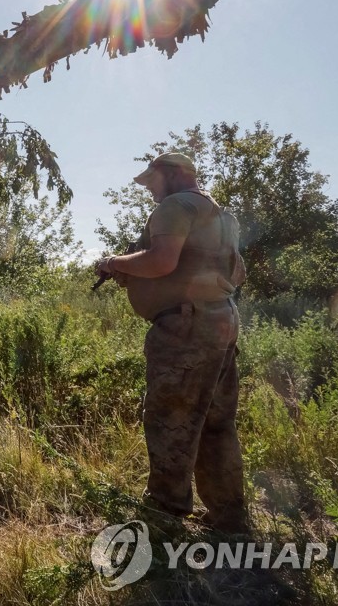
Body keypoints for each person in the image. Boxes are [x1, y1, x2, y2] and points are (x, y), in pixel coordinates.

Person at [95, 151, 248, 532]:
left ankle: (163, 517)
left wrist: (115, 263)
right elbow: (239, 272)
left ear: (174, 174)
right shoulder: (223, 216)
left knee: (171, 419)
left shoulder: (175, 207)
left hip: (186, 328)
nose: (149, 191)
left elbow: (162, 261)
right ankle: (229, 516)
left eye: (152, 181)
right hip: (221, 320)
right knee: (216, 422)